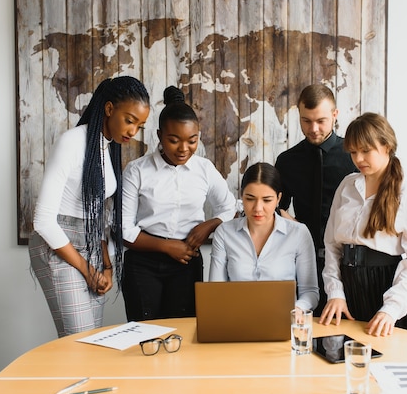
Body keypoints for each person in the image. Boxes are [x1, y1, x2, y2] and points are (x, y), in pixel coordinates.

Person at [29, 76, 151, 337]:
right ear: (109, 109)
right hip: (58, 244)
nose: (132, 131)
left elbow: (97, 217)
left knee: (92, 340)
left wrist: (106, 266)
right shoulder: (72, 142)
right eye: (129, 120)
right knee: (79, 343)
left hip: (91, 247)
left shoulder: (106, 148)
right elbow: (43, 221)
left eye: (139, 126)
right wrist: (87, 270)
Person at [121, 85, 237, 321]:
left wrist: (209, 225)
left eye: (192, 140)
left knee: (184, 335)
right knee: (144, 335)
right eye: (174, 140)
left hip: (187, 264)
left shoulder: (204, 169)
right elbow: (124, 231)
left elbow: (229, 207)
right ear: (159, 136)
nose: (184, 149)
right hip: (143, 264)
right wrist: (167, 247)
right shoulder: (136, 171)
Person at [319, 112, 407, 337]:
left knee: (391, 366)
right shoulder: (347, 185)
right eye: (353, 152)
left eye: (366, 151)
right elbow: (331, 245)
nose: (358, 159)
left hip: (388, 290)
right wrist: (335, 292)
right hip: (348, 291)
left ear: (386, 146)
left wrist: (391, 309)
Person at [275, 84, 357, 315]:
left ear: (335, 115)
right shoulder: (287, 160)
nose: (313, 129)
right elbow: (275, 207)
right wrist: (293, 223)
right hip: (302, 259)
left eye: (320, 120)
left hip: (350, 262)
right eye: (306, 121)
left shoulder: (354, 155)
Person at [209, 162, 319, 311]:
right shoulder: (224, 232)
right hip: (236, 321)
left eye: (267, 200)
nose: (258, 208)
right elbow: (216, 291)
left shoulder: (298, 233)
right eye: (250, 199)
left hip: (284, 320)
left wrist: (297, 309)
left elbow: (310, 292)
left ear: (278, 199)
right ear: (241, 196)